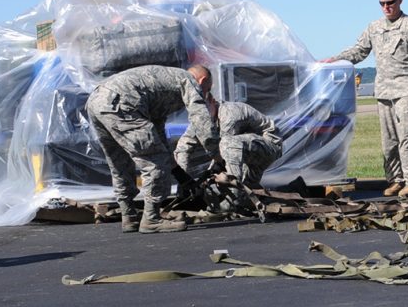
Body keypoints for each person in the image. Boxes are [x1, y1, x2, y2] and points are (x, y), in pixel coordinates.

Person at [326, 0, 408, 197]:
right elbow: (359, 50)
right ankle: (396, 180)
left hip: (407, 89)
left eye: (390, 2)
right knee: (389, 142)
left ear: (400, 1)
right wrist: (335, 59)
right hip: (384, 92)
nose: (386, 7)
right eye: (382, 3)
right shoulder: (374, 27)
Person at [86, 64, 218, 233]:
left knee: (119, 162)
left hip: (98, 100)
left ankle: (129, 216)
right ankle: (151, 219)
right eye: (206, 90)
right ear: (203, 80)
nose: (205, 95)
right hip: (123, 102)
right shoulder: (189, 81)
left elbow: (157, 134)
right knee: (154, 162)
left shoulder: (165, 82)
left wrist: (179, 174)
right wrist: (217, 154)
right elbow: (202, 120)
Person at [175, 97, 283, 188]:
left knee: (228, 146)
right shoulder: (200, 119)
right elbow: (183, 148)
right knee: (249, 194)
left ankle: (235, 193)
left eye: (205, 109)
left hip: (269, 146)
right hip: (245, 150)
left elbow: (226, 153)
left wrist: (210, 175)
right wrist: (184, 181)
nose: (202, 115)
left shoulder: (229, 114)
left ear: (213, 102)